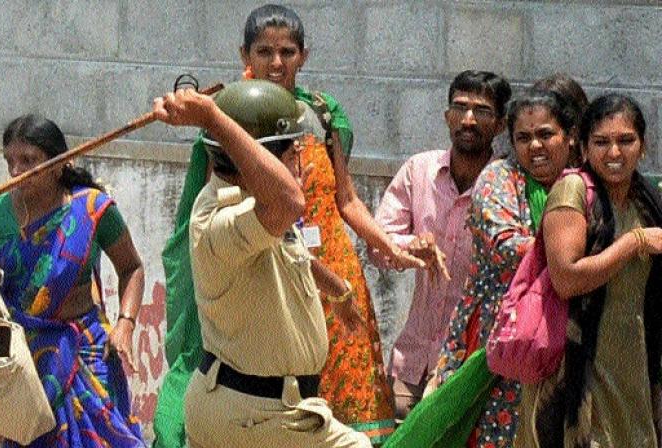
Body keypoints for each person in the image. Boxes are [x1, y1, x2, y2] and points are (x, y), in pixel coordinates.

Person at [153, 4, 422, 445]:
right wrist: (214, 119)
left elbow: (306, 225)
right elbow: (282, 205)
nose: (277, 63)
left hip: (307, 287)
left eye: (288, 52)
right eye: (265, 52)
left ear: (303, 55)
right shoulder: (228, 210)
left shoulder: (321, 114)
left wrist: (339, 285)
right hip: (255, 408)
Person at [153, 79, 373, 447]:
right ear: (265, 158)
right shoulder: (222, 216)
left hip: (256, 411)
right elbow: (290, 202)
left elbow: (291, 252)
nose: (299, 164)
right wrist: (212, 117)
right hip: (257, 416)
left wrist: (337, 290)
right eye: (291, 155)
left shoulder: (255, 207)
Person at [0, 114, 146, 447]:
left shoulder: (91, 208)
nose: (16, 172)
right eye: (10, 161)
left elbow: (131, 268)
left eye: (29, 161)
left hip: (85, 353)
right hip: (21, 365)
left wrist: (125, 324)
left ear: (58, 164)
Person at [429, 89, 579, 448]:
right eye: (523, 138)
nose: (536, 146)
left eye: (546, 134)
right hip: (503, 338)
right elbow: (507, 245)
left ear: (570, 136)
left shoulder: (580, 182)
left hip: (569, 338)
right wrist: (576, 256)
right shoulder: (499, 179)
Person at [517, 94, 662, 447]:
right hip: (579, 370)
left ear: (642, 148)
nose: (614, 153)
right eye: (601, 142)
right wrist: (634, 243)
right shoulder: (574, 190)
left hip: (632, 369)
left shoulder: (647, 200)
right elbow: (566, 279)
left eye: (626, 141)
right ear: (583, 147)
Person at [371, 70, 511, 421]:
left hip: (471, 370)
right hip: (410, 364)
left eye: (481, 111)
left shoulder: (508, 186)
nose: (468, 119)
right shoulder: (419, 170)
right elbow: (377, 243)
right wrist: (411, 247)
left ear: (500, 125)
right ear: (446, 115)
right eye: (460, 107)